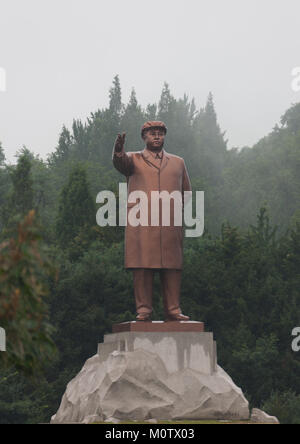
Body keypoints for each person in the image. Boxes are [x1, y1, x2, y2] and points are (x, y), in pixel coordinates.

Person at [112, 121, 191, 321]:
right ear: (144, 137)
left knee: (172, 267)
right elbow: (120, 163)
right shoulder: (133, 159)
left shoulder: (178, 162)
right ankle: (144, 309)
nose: (156, 137)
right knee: (143, 266)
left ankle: (173, 309)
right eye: (152, 133)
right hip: (142, 222)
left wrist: (175, 211)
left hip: (169, 222)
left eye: (160, 133)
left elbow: (186, 191)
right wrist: (118, 150)